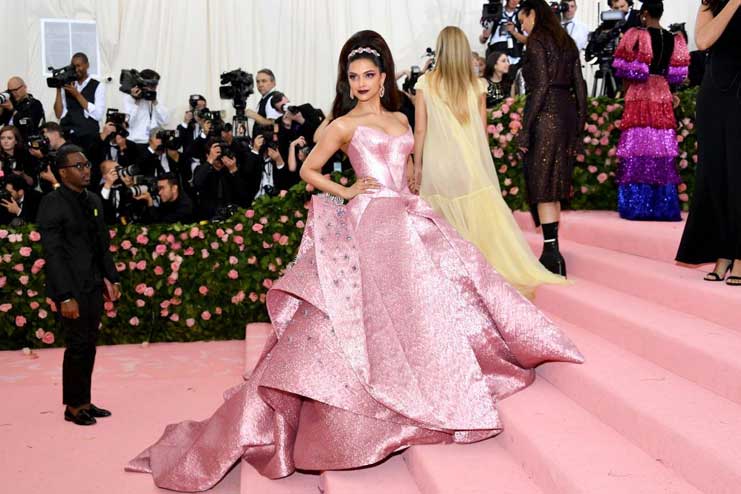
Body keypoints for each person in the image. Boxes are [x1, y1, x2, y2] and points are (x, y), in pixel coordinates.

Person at [126, 29, 583, 492]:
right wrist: (346, 191)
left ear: (383, 78)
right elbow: (308, 171)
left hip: (405, 213)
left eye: (368, 75)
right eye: (354, 76)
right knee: (369, 311)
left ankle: (437, 377)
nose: (361, 82)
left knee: (442, 290)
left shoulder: (403, 120)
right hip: (370, 219)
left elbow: (407, 171)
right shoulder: (342, 125)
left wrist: (413, 193)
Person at [411, 27, 565, 298]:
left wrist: (418, 164)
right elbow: (481, 131)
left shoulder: (426, 83)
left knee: (443, 220)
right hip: (468, 161)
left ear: (441, 49)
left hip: (438, 162)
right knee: (476, 218)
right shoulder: (477, 86)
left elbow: (420, 129)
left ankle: (451, 275)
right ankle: (476, 272)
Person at [37, 145, 121, 426]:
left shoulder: (94, 200)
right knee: (76, 346)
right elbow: (54, 254)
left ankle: (84, 401)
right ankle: (73, 407)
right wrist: (64, 296)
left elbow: (102, 246)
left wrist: (112, 277)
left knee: (90, 344)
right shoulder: (52, 203)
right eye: (79, 167)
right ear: (63, 172)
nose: (86, 170)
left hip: (93, 285)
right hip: (70, 289)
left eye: (87, 165)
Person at [515, 0, 587, 276]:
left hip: (545, 115)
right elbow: (579, 84)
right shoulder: (566, 41)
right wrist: (579, 124)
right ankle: (552, 250)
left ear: (533, 12)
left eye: (523, 19)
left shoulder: (537, 40)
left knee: (542, 182)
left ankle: (551, 254)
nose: (523, 25)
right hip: (566, 113)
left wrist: (526, 127)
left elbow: (541, 85)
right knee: (555, 181)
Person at [677, 0, 741, 285]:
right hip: (715, 93)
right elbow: (703, 41)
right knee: (715, 175)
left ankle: (740, 256)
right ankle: (723, 253)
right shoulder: (710, 3)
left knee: (739, 175)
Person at [612, 0, 690, 221]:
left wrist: (625, 94)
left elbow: (626, 71)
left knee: (638, 145)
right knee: (660, 147)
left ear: (644, 13)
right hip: (662, 91)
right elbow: (676, 75)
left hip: (640, 92)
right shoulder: (673, 38)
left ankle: (638, 205)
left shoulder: (635, 35)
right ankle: (662, 206)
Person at [53, 53, 105, 152]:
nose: (76, 69)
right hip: (68, 136)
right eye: (73, 66)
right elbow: (59, 114)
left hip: (89, 139)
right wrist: (58, 89)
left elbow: (98, 115)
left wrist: (77, 94)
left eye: (79, 65)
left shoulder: (98, 86)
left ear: (87, 65)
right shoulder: (68, 85)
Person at [121, 69, 170, 146]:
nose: (155, 87)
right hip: (133, 142)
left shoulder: (155, 97)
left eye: (156, 85)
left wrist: (155, 102)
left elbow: (165, 121)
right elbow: (127, 123)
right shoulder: (129, 98)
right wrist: (136, 101)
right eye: (152, 85)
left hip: (151, 143)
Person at [480, 0, 527, 64]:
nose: (514, 1)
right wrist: (484, 36)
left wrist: (514, 32)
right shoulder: (495, 10)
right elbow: (482, 40)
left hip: (516, 56)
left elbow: (528, 40)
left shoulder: (522, 14)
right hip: (496, 54)